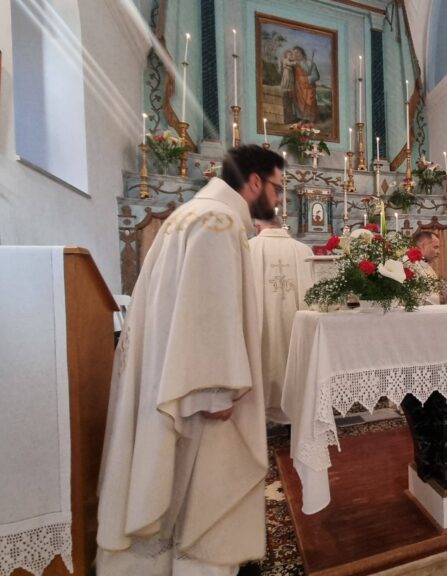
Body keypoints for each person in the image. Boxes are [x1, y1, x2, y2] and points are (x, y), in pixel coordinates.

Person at [96, 144, 285, 575]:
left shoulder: (192, 214)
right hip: (197, 391)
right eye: (276, 188)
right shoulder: (217, 222)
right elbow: (205, 309)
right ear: (254, 181)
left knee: (165, 477)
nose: (277, 199)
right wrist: (215, 390)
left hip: (175, 375)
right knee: (196, 491)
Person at [249, 217, 314, 423]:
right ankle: (296, 417)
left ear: (257, 227)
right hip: (298, 327)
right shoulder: (304, 250)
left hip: (261, 327)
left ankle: (260, 415)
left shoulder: (249, 248)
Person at [411, 229, 447, 304]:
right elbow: (413, 295)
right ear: (423, 246)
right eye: (435, 247)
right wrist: (440, 299)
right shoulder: (410, 265)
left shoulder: (426, 265)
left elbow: (438, 283)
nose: (439, 252)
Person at [290, 46, 319, 124]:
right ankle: (301, 118)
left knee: (309, 102)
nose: (296, 55)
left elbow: (316, 76)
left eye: (298, 53)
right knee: (298, 102)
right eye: (294, 53)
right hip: (298, 87)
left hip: (308, 87)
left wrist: (305, 79)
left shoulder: (310, 63)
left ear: (302, 53)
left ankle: (310, 119)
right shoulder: (293, 65)